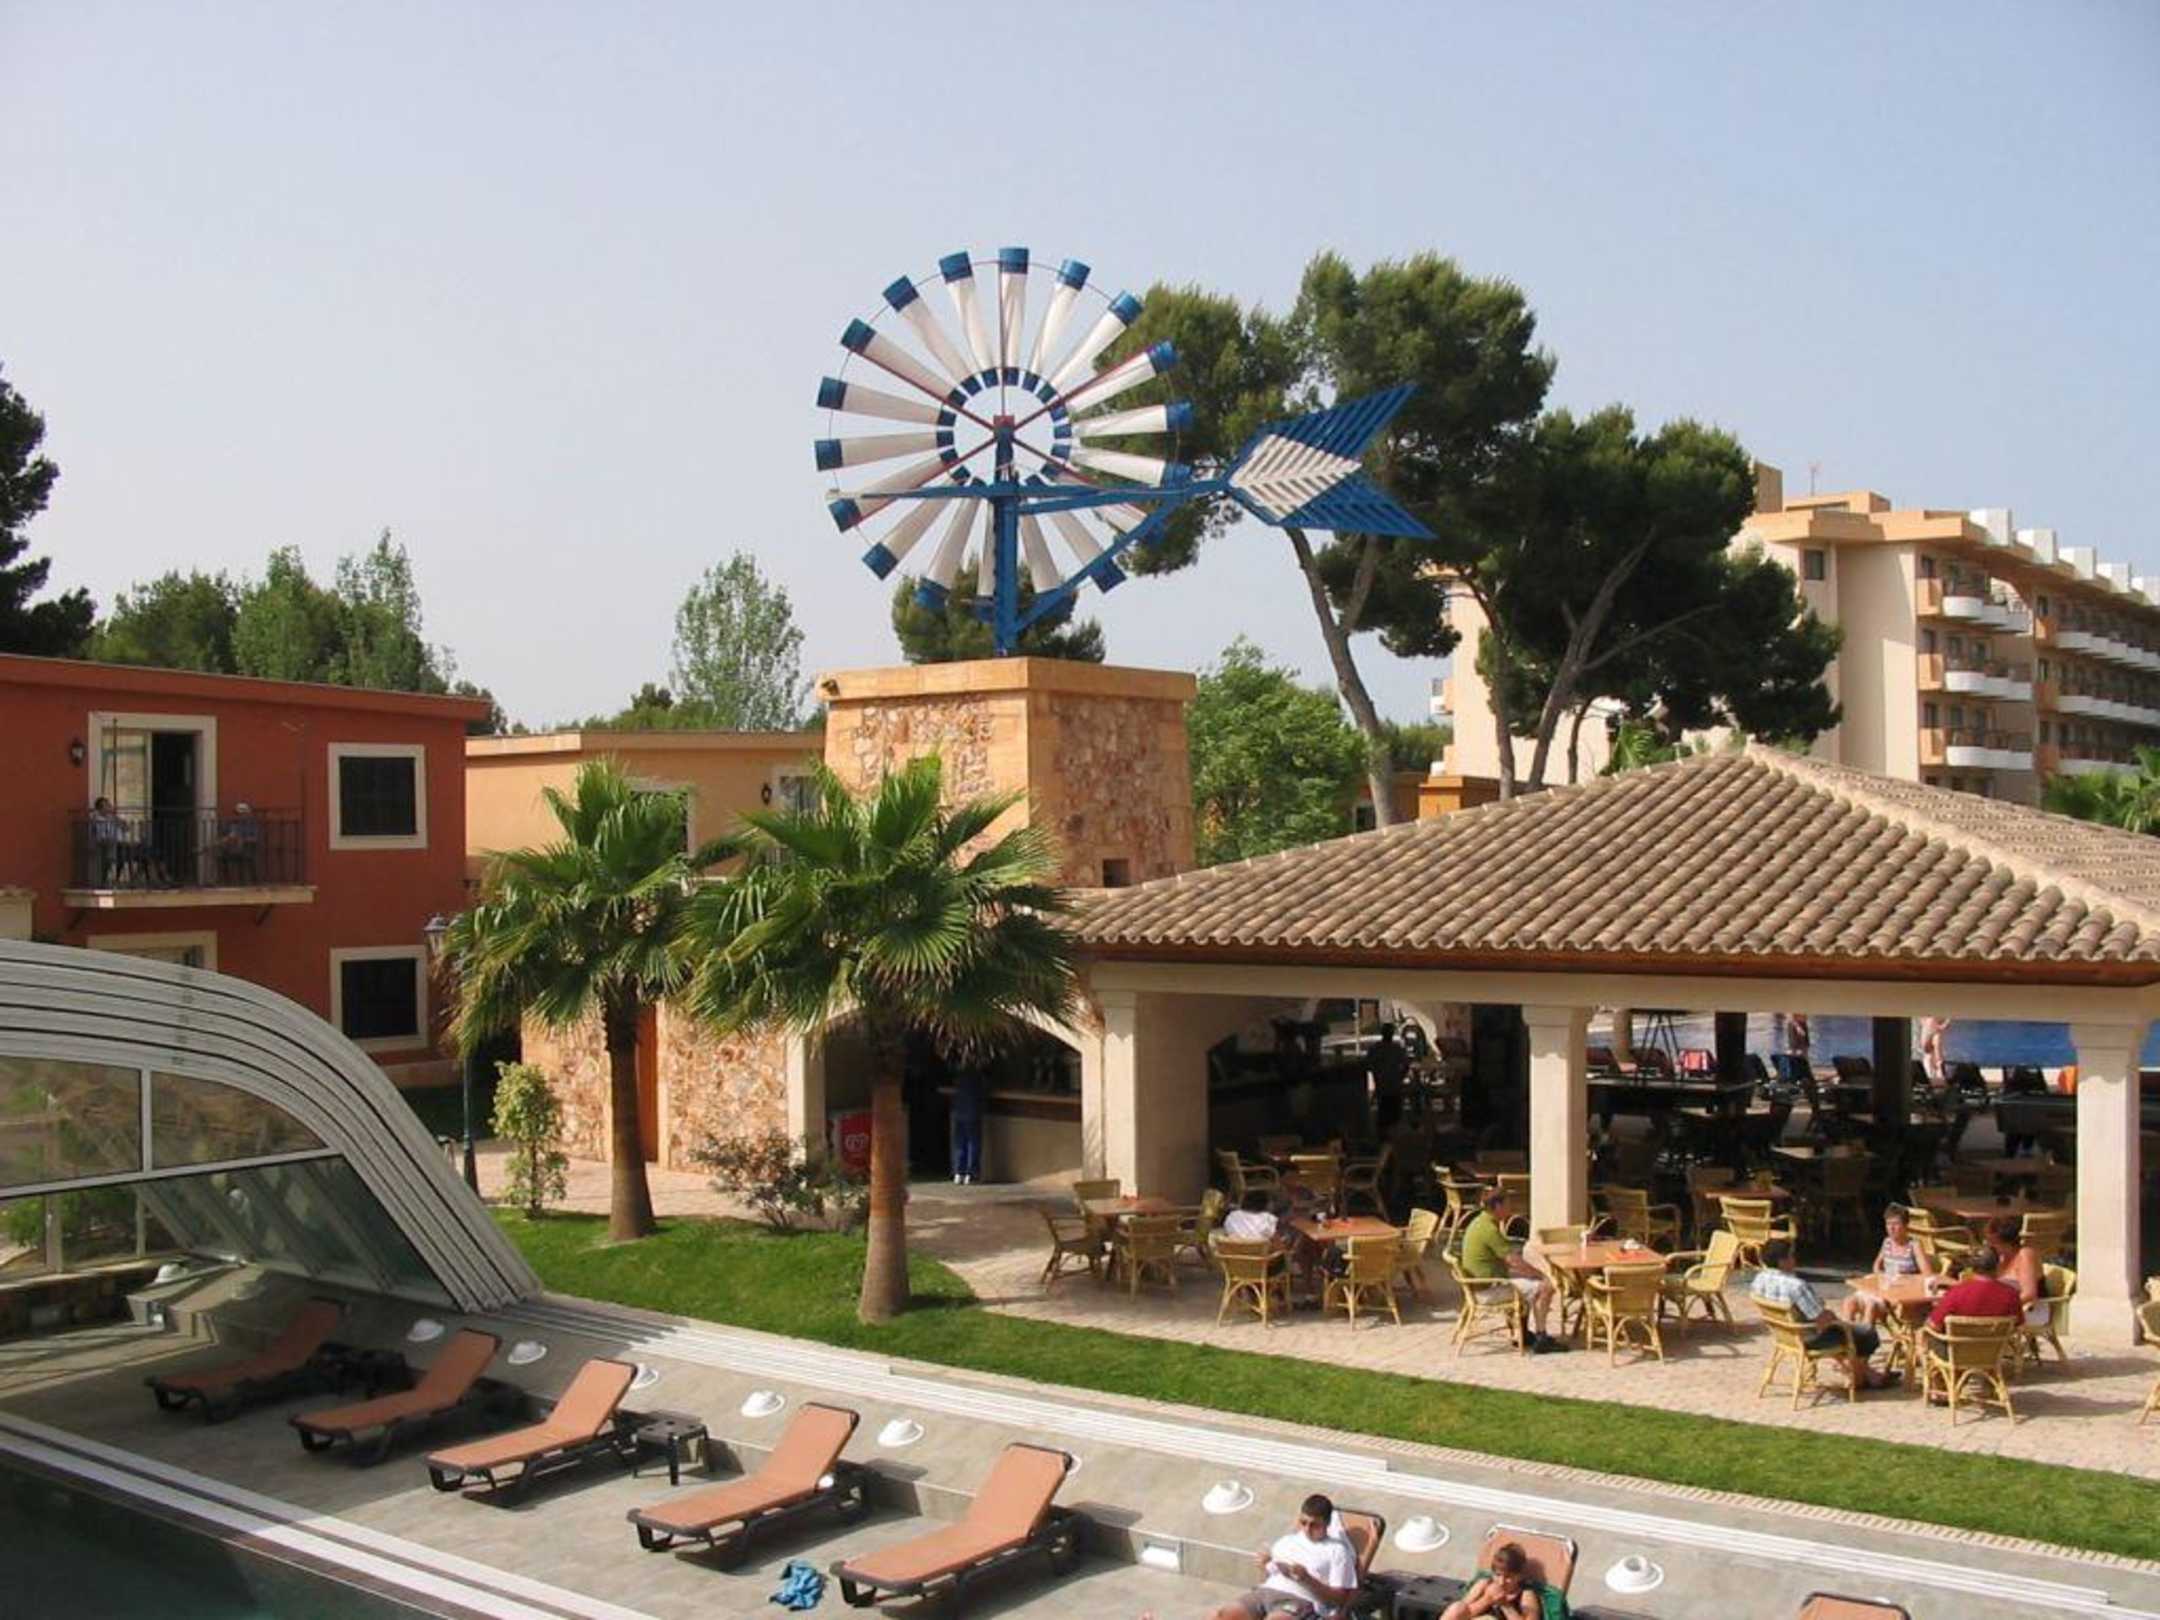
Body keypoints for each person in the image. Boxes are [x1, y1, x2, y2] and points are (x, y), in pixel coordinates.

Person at [1750, 1240, 1886, 1390]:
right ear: (1782, 1261)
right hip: (1809, 1338)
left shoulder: (1759, 1280)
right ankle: (1858, 1378)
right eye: (1791, 1255)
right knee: (1867, 1333)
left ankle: (1868, 1374)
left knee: (1844, 1330)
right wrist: (1838, 1321)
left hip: (1784, 1335)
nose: (1795, 1259)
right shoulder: (1796, 1285)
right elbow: (1821, 1318)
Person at [1206, 1494, 1361, 1620]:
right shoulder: (1286, 1541)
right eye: (1303, 1522)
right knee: (1219, 1616)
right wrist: (1264, 1566)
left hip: (1298, 1599)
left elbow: (1338, 1599)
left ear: (1327, 1524)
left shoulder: (1337, 1551)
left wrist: (1307, 1578)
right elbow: (1266, 1578)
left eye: (1314, 1525)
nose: (1307, 1529)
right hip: (1266, 1592)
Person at [1459, 1186, 1565, 1353]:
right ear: (1498, 1206)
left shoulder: (1480, 1222)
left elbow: (1507, 1256)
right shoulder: (1489, 1229)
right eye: (1508, 1205)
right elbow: (1514, 1262)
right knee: (1546, 1287)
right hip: (1488, 1290)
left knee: (1528, 1282)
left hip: (1482, 1284)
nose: (1511, 1209)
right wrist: (1541, 1275)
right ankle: (1541, 1338)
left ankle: (1523, 1334)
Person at [1841, 1204, 1924, 1327]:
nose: (1891, 1228)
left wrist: (1904, 1279)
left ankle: (1865, 1337)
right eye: (1888, 1224)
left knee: (1871, 1306)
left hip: (1898, 1293)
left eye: (1896, 1224)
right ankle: (1846, 1336)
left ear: (1906, 1225)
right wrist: (1879, 1274)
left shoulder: (1914, 1245)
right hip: (1883, 1286)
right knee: (1849, 1302)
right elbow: (1877, 1264)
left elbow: (1927, 1274)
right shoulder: (1887, 1242)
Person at [1924, 1241, 2022, 1332]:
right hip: (1998, 1344)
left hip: (1958, 1344)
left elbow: (1934, 1325)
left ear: (1971, 1267)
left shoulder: (1956, 1293)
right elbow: (2018, 1324)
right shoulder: (2011, 1294)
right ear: (1997, 1265)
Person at [1440, 1540, 1540, 1620]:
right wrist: (1487, 1599)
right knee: (1457, 1607)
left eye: (1508, 1577)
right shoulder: (1484, 1584)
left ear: (1519, 1576)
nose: (1501, 1582)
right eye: (1498, 1575)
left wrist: (1505, 1605)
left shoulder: (1526, 1595)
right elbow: (1463, 1613)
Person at [1985, 1213, 2050, 1330]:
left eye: (1992, 1242)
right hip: (2007, 1309)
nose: (1989, 1245)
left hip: (2030, 1309)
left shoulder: (2025, 1255)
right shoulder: (2000, 1258)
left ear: (2004, 1241)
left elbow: (2029, 1294)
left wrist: (2001, 1307)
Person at [1367, 1023, 1409, 1138]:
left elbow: (1368, 1064)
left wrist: (1377, 1072)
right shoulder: (1396, 1049)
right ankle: (1393, 1136)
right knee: (1393, 1112)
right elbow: (1406, 1065)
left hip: (1383, 1084)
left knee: (1384, 1112)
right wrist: (1400, 1077)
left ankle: (1384, 1136)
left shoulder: (1375, 1049)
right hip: (1393, 1085)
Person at [948, 1066, 984, 1185]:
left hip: (959, 1111)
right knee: (973, 1142)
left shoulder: (959, 1075)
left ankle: (959, 1172)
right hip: (972, 1112)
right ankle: (971, 1173)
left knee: (960, 1143)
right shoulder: (977, 1076)